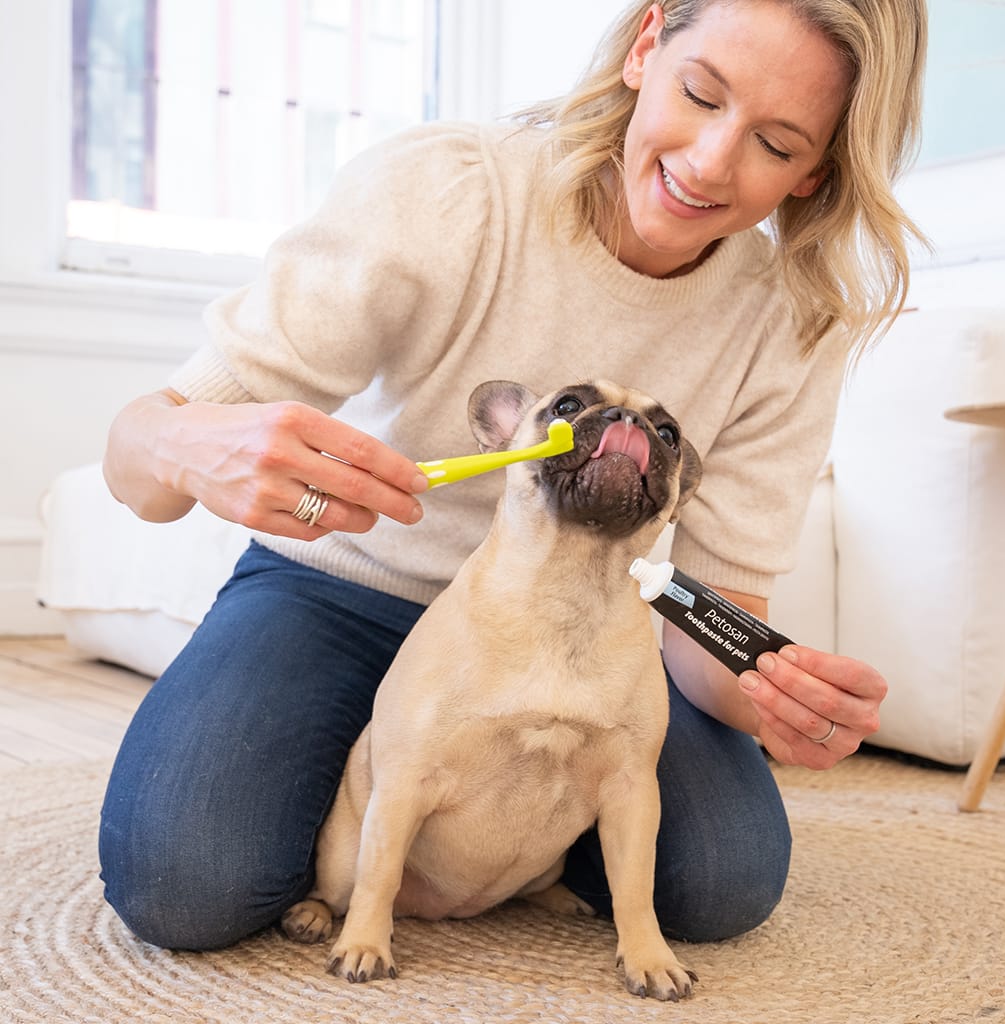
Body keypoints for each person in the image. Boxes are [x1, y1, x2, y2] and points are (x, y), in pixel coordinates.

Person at [98, 0, 927, 952]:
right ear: (647, 43)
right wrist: (185, 446)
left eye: (775, 144)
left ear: (816, 169)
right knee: (183, 884)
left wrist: (772, 687)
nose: (709, 161)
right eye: (700, 95)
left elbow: (710, 602)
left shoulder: (791, 319)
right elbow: (140, 459)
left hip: (595, 627)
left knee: (723, 883)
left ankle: (518, 833)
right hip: (345, 590)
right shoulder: (448, 191)